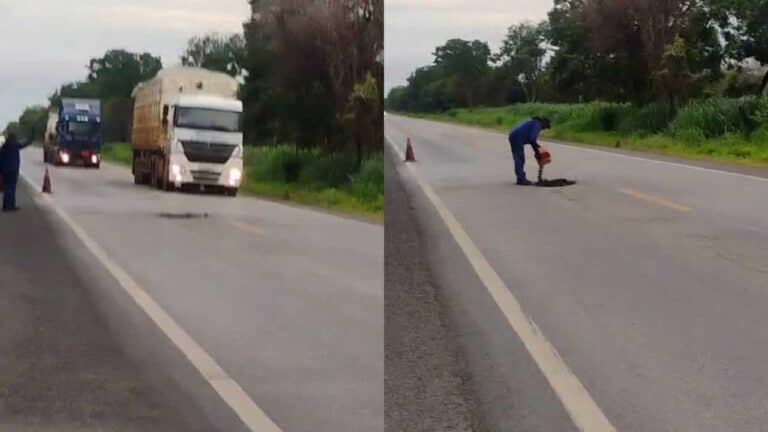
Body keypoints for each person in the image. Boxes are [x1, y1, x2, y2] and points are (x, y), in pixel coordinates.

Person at [508, 116, 551, 185]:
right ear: (544, 124)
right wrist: (538, 150)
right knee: (519, 158)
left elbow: (531, 140)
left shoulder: (532, 121)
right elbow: (532, 139)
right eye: (544, 127)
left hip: (513, 134)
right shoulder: (537, 124)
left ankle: (520, 178)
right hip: (517, 136)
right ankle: (521, 179)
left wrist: (537, 150)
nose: (543, 129)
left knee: (518, 157)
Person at [0, 132, 30, 212]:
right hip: (12, 170)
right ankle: (10, 206)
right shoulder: (14, 146)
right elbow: (22, 145)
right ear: (13, 139)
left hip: (5, 170)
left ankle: (6, 205)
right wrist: (30, 139)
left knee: (7, 188)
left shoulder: (4, 147)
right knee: (11, 188)